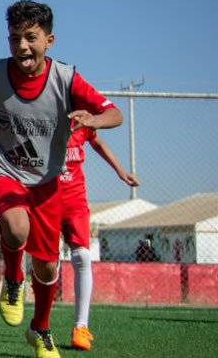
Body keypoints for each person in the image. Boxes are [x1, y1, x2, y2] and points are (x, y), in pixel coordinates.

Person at [0, 0, 123, 358]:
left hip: (46, 180)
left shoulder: (66, 79)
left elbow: (114, 113)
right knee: (15, 226)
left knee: (48, 264)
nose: (22, 46)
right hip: (2, 168)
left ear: (49, 40)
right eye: (14, 38)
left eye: (30, 37)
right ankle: (13, 279)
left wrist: (93, 119)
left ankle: (40, 329)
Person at [60, 126, 138, 350]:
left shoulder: (82, 121)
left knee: (82, 257)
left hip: (74, 199)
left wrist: (120, 171)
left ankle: (81, 327)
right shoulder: (42, 116)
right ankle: (39, 322)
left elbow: (98, 142)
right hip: (46, 197)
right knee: (46, 261)